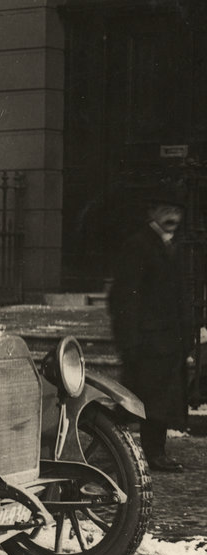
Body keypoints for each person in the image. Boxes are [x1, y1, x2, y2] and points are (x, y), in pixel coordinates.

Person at [108, 190, 192, 472]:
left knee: (155, 399)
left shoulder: (173, 246)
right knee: (143, 400)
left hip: (168, 339)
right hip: (147, 340)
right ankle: (145, 452)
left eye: (177, 212)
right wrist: (129, 341)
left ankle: (132, 449)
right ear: (151, 213)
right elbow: (124, 297)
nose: (173, 217)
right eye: (167, 210)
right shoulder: (139, 246)